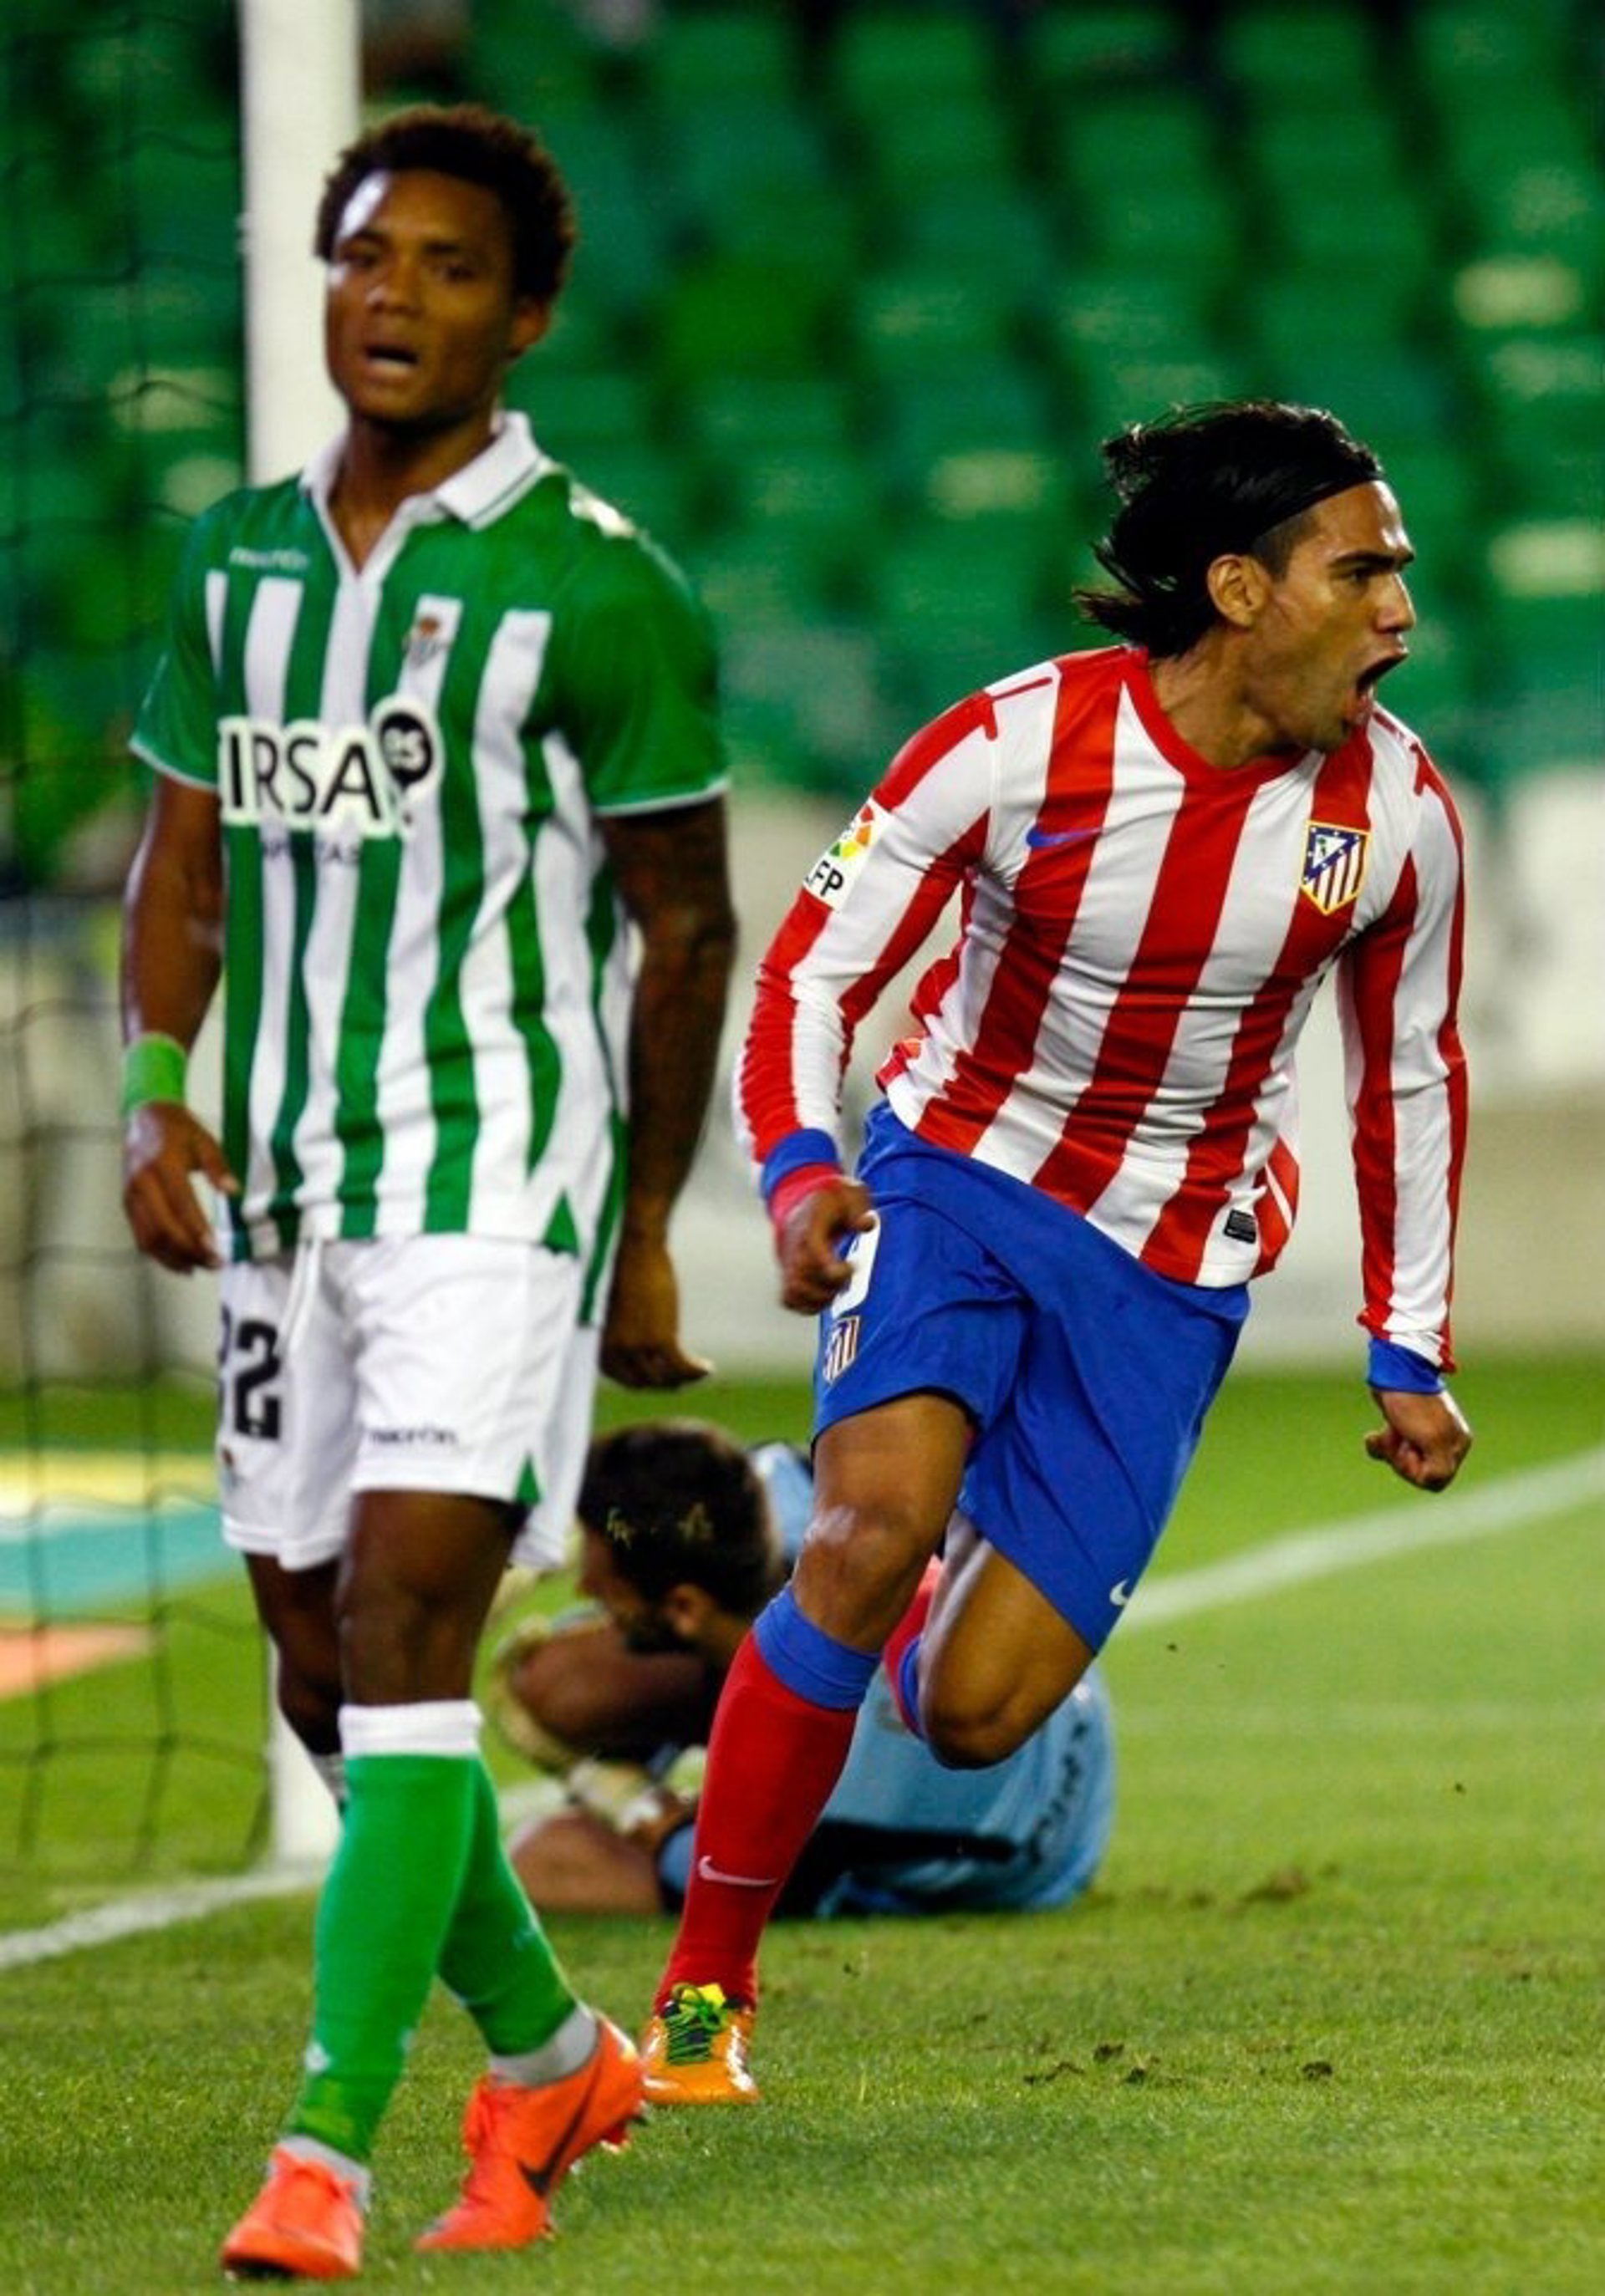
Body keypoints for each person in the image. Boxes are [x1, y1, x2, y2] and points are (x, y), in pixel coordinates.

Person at [638, 399, 1473, 2106]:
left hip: (1168, 1263)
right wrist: (799, 1171)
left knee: (974, 1715)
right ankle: (706, 1995)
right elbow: (812, 973)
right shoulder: (1014, 746)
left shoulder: (1399, 817)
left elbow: (1409, 1073)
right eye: (1362, 569)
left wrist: (1409, 1342)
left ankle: (915, 1566)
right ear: (1239, 587)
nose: (1401, 607)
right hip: (958, 1174)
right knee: (863, 1536)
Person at [117, 104, 735, 2276]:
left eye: (452, 267)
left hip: (496, 1179)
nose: (397, 296)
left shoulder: (600, 583)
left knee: (398, 1640)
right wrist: (154, 1092)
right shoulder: (234, 563)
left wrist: (643, 1227)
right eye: (368, 257)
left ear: (527, 314)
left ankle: (325, 2153)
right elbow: (184, 860)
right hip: (284, 1187)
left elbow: (685, 926)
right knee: (316, 1664)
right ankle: (553, 2049)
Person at [486, 1419, 1114, 1937]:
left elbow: (713, 1865)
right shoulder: (795, 1498)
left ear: (683, 1607)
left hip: (1039, 1851)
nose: (585, 1589)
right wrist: (570, 1533)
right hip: (1036, 1679)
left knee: (542, 1859)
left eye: (602, 1583)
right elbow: (717, 1477)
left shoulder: (840, 1782)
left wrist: (622, 1797)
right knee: (556, 1683)